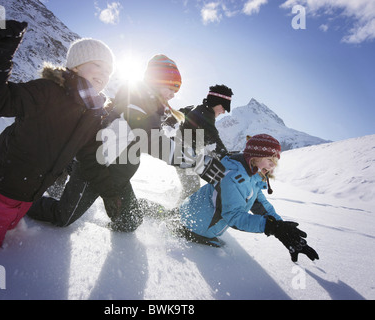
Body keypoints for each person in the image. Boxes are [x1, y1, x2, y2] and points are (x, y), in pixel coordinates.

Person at [0, 19, 114, 253]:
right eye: (98, 65)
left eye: (109, 71)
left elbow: (85, 150)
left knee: (8, 221)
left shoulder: (92, 112)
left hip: (31, 189)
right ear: (76, 65)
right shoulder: (47, 91)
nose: (104, 74)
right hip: (6, 179)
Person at [27, 55, 225, 232]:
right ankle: (24, 203)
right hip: (95, 171)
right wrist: (202, 163)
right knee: (63, 217)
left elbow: (153, 137)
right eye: (171, 87)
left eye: (176, 89)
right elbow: (158, 144)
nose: (173, 94)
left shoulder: (150, 107)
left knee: (129, 223)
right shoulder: (136, 106)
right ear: (157, 81)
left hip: (117, 174)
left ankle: (66, 166)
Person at [177, 134, 319, 262]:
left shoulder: (251, 177)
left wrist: (283, 230)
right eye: (269, 159)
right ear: (254, 157)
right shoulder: (235, 177)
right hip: (195, 227)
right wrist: (272, 227)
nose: (272, 166)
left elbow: (260, 204)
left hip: (194, 218)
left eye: (275, 162)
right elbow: (233, 216)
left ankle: (174, 216)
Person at [174, 85, 233, 201]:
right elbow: (214, 140)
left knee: (191, 188)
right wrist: (227, 157)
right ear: (216, 102)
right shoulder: (204, 115)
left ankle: (175, 208)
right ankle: (176, 216)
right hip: (184, 154)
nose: (224, 111)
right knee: (192, 189)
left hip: (186, 153)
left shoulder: (201, 110)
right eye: (224, 107)